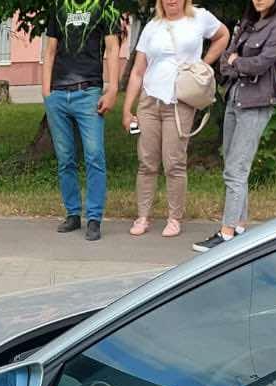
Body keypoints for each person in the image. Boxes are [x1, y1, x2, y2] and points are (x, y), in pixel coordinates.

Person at [121, 0, 229, 239]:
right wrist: (127, 109)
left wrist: (202, 64)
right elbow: (138, 71)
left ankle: (174, 218)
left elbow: (223, 35)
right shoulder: (152, 26)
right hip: (150, 101)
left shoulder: (199, 17)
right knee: (147, 162)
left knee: (174, 163)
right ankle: (143, 216)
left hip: (179, 101)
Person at [197, 0, 276, 252]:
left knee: (236, 169)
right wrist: (236, 62)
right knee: (233, 165)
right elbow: (225, 60)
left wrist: (238, 63)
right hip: (235, 100)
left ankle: (226, 235)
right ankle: (238, 226)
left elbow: (261, 63)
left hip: (257, 104)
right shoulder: (248, 23)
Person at [41, 0, 123, 240]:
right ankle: (73, 214)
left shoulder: (106, 5)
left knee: (94, 156)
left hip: (88, 93)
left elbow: (112, 47)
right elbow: (50, 49)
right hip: (57, 93)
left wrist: (113, 88)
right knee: (65, 159)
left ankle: (94, 218)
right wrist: (46, 92)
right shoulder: (58, 5)